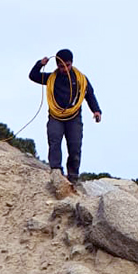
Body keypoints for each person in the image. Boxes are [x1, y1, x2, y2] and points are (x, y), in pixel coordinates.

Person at [28, 49, 101, 183]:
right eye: (61, 66)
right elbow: (33, 76)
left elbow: (89, 94)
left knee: (75, 146)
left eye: (67, 65)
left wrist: (96, 111)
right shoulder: (51, 78)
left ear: (71, 63)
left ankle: (73, 177)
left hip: (74, 118)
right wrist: (40, 64)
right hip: (56, 116)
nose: (65, 69)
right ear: (57, 65)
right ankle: (56, 171)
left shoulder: (81, 79)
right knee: (54, 141)